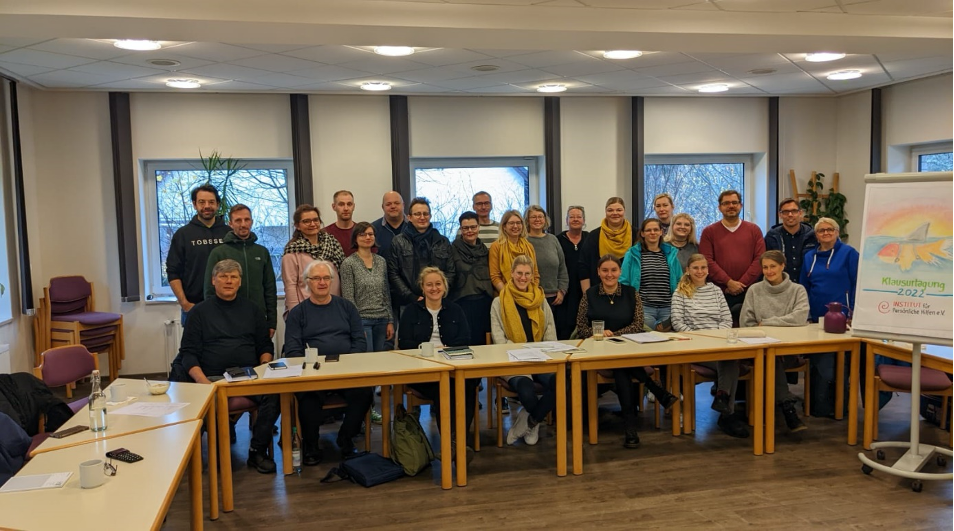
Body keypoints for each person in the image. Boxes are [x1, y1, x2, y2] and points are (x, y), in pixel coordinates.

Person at [169, 259, 279, 474]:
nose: (229, 281)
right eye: (223, 276)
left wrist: (264, 366)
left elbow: (265, 345)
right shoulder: (199, 312)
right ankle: (213, 449)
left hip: (248, 376)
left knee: (275, 395)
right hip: (211, 378)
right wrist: (203, 383)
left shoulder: (253, 310)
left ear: (240, 282)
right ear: (213, 280)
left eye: (233, 277)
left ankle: (257, 451)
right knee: (219, 451)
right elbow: (188, 354)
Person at [576, 254, 677, 448]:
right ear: (598, 272)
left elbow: (638, 324)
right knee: (621, 366)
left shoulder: (631, 293)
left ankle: (631, 426)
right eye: (605, 270)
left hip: (627, 348)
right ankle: (652, 393)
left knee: (621, 367)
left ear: (620, 272)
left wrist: (615, 334)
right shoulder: (590, 294)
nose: (609, 274)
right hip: (599, 350)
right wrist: (599, 333)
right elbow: (581, 326)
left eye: (613, 270)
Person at [285, 260, 372, 462]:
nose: (322, 282)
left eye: (326, 278)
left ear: (332, 281)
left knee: (364, 393)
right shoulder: (298, 313)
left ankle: (345, 438)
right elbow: (292, 350)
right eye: (316, 278)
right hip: (313, 374)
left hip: (345, 371)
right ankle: (311, 446)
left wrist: (346, 364)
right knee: (308, 399)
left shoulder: (347, 307)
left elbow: (359, 341)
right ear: (307, 282)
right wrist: (311, 367)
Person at [398, 267, 478, 452]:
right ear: (422, 287)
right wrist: (426, 349)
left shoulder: (455, 309)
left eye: (438, 284)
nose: (434, 288)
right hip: (422, 371)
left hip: (452, 366)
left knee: (468, 385)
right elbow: (404, 342)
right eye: (429, 285)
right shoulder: (411, 311)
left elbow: (465, 338)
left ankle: (458, 441)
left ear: (444, 286)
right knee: (446, 389)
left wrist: (448, 348)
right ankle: (453, 444)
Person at [670, 253, 748, 439]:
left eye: (703, 267)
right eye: (695, 268)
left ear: (708, 270)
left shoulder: (716, 291)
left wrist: (716, 337)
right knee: (730, 362)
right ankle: (727, 414)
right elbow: (678, 322)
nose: (700, 271)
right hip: (694, 346)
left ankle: (722, 400)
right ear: (688, 270)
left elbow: (726, 318)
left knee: (730, 359)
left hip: (718, 343)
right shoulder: (680, 292)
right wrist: (701, 338)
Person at [490, 255, 558, 446]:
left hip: (541, 358)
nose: (523, 277)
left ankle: (530, 421)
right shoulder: (499, 302)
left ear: (532, 275)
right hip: (513, 360)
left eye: (527, 273)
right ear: (511, 273)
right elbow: (498, 338)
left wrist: (543, 352)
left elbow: (550, 330)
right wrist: (521, 352)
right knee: (526, 390)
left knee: (561, 382)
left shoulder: (540, 299)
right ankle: (534, 421)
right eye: (519, 273)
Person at [740, 250, 810, 432]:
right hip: (760, 350)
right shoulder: (754, 290)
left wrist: (767, 323)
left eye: (773, 266)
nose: (769, 271)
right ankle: (787, 408)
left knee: (773, 358)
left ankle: (782, 405)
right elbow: (746, 322)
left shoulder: (797, 290)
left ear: (782, 266)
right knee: (770, 357)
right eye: (765, 267)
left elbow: (800, 317)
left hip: (788, 350)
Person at [799, 217, 859, 418]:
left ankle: (839, 405)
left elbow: (857, 283)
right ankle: (819, 404)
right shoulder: (809, 256)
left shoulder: (849, 253)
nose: (825, 233)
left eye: (830, 229)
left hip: (843, 317)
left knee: (840, 362)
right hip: (816, 317)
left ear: (837, 232)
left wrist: (853, 312)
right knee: (819, 361)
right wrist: (806, 314)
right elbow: (804, 286)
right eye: (821, 230)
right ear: (816, 235)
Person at [204, 204, 278, 337]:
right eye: (238, 220)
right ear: (230, 224)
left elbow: (270, 289)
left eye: (246, 220)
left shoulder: (262, 252)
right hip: (227, 318)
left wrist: (272, 322)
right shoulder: (218, 253)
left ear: (252, 222)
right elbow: (209, 289)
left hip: (257, 317)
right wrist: (213, 319)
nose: (243, 224)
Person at [166, 183, 230, 325]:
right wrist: (185, 304)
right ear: (195, 204)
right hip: (193, 307)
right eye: (202, 202)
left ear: (218, 204)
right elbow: (173, 272)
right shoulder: (183, 235)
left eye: (211, 202)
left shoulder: (229, 234)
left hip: (226, 307)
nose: (207, 206)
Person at [698, 190, 765, 323]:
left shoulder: (754, 230)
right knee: (720, 330)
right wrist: (728, 282)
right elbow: (707, 261)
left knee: (748, 329)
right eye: (726, 203)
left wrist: (741, 284)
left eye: (735, 202)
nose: (731, 206)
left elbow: (760, 259)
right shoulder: (709, 232)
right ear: (719, 207)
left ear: (741, 205)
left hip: (749, 291)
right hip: (718, 292)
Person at [388, 197, 456, 310]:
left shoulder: (442, 241)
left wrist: (438, 292)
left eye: (425, 214)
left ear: (430, 216)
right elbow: (393, 273)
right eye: (417, 214)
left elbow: (451, 271)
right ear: (409, 217)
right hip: (408, 303)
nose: (422, 217)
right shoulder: (398, 242)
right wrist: (410, 296)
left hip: (438, 300)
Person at [281, 204, 345, 316]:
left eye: (315, 220)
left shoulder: (332, 244)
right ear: (297, 226)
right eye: (306, 221)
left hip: (334, 308)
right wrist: (295, 314)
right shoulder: (292, 252)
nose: (312, 224)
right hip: (306, 311)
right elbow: (290, 286)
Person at [339, 222, 394, 352]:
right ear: (355, 238)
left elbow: (386, 293)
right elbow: (348, 297)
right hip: (362, 320)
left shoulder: (381, 261)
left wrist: (390, 320)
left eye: (370, 234)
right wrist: (356, 324)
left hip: (382, 319)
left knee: (380, 359)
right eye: (362, 234)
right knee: (366, 358)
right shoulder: (348, 263)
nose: (367, 237)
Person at [620, 218, 681, 331]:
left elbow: (679, 280)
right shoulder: (632, 254)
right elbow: (624, 281)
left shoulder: (670, 254)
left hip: (668, 308)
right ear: (642, 233)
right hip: (644, 307)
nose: (652, 233)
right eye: (648, 230)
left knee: (668, 339)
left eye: (656, 230)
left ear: (661, 232)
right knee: (648, 338)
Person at [450, 211, 494, 346]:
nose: (470, 231)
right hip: (462, 303)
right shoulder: (452, 250)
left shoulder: (485, 251)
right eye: (465, 228)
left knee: (484, 343)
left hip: (484, 303)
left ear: (479, 227)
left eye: (473, 227)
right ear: (461, 229)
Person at [579, 197, 634, 292]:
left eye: (619, 210)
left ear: (624, 211)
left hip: (628, 292)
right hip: (598, 292)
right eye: (610, 210)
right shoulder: (594, 236)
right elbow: (583, 266)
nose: (615, 213)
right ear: (605, 212)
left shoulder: (636, 235)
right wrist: (587, 295)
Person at [525, 205, 569, 312]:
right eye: (533, 217)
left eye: (540, 216)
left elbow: (562, 268)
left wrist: (562, 291)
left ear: (545, 219)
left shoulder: (553, 239)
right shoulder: (523, 241)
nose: (537, 219)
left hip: (554, 298)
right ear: (527, 220)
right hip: (530, 296)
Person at [555, 205, 589, 339]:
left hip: (585, 289)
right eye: (572, 217)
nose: (575, 219)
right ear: (566, 220)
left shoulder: (590, 239)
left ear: (584, 220)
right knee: (564, 327)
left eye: (579, 217)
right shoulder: (557, 240)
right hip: (564, 292)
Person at [765, 198, 817, 284]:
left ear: (800, 213)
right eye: (786, 212)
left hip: (808, 284)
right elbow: (766, 262)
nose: (790, 215)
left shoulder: (812, 236)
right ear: (780, 215)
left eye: (794, 211)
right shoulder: (772, 236)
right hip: (781, 285)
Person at [489, 210, 540, 292]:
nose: (515, 226)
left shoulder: (529, 246)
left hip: (529, 294)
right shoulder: (496, 246)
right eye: (511, 223)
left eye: (518, 223)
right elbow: (495, 277)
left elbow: (535, 274)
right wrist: (508, 294)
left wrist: (531, 292)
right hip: (505, 294)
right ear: (504, 226)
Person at [322, 190, 362, 257]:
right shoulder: (325, 233)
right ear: (334, 207)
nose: (346, 208)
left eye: (349, 204)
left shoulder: (362, 232)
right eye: (341, 204)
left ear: (353, 206)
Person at [371, 191, 407, 259]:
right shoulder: (373, 229)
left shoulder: (413, 226)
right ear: (383, 207)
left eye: (396, 203)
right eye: (388, 204)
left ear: (403, 205)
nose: (393, 206)